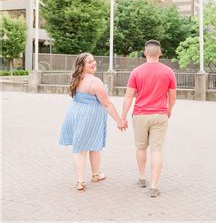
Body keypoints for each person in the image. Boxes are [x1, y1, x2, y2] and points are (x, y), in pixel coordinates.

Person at [59, 52, 127, 191]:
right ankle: (91, 176)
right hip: (88, 117)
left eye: (94, 60)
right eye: (89, 62)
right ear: (82, 66)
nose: (94, 63)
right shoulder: (95, 82)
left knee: (81, 148)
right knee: (91, 146)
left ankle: (82, 180)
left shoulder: (76, 79)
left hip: (74, 113)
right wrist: (119, 121)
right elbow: (107, 104)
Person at [121, 40, 177, 197]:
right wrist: (169, 110)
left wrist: (123, 117)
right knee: (157, 150)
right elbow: (172, 97)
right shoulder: (168, 72)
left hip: (140, 115)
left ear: (145, 53)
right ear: (160, 53)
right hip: (160, 114)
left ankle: (142, 178)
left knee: (140, 147)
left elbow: (128, 97)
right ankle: (153, 186)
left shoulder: (136, 72)